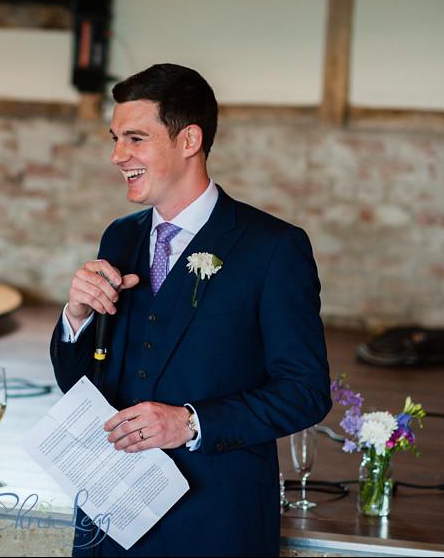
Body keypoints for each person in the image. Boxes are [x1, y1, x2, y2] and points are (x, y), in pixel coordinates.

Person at [49, 63, 332, 557]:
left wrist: (191, 422)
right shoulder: (120, 236)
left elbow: (305, 392)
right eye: (115, 139)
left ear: (189, 140)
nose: (117, 155)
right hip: (110, 517)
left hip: (215, 522)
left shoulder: (273, 248)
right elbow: (81, 384)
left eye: (134, 138)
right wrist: (77, 317)